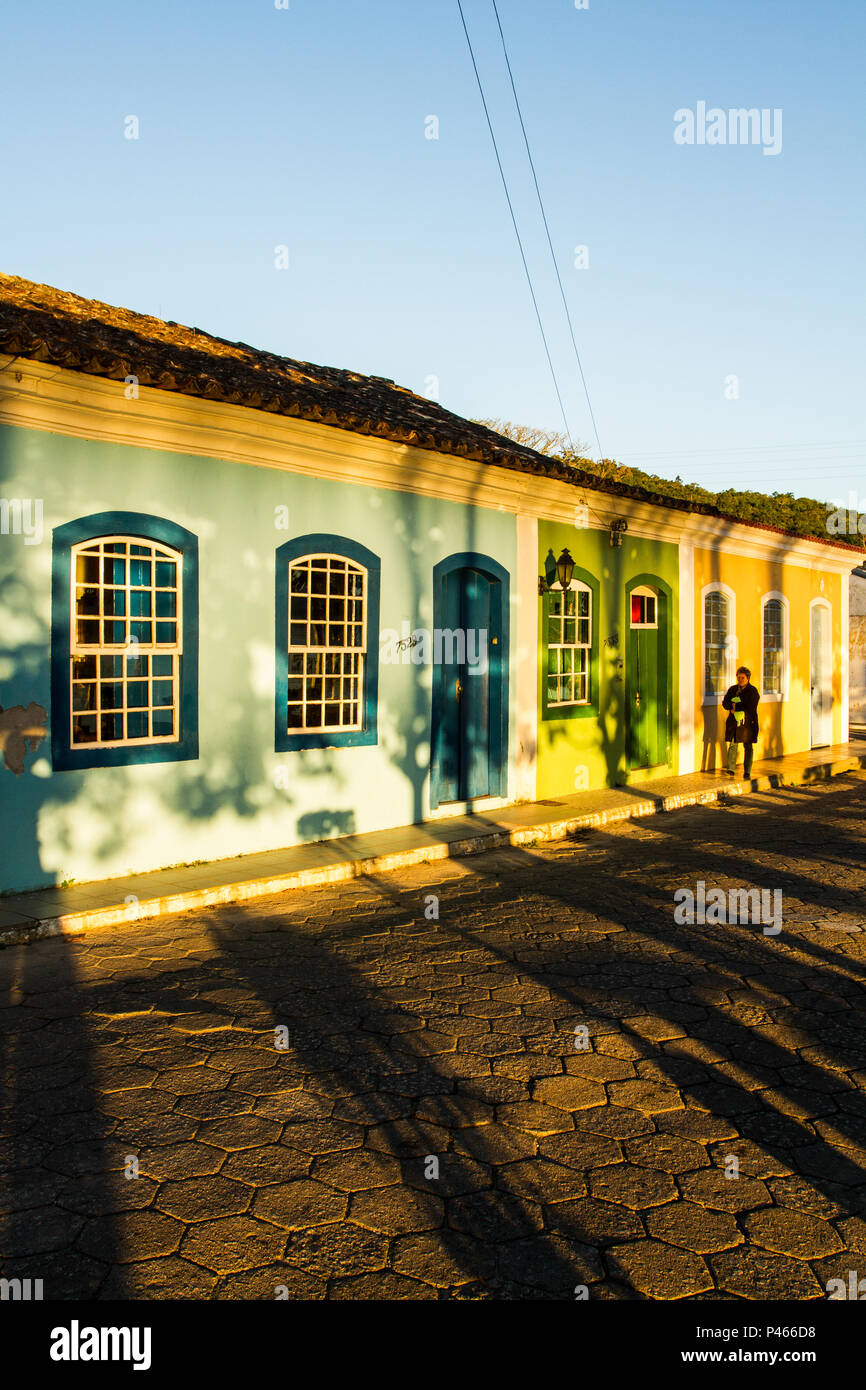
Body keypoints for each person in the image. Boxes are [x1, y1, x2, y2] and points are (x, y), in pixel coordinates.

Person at [722, 666, 760, 777]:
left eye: (742, 677)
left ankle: (747, 771)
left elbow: (751, 706)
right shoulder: (733, 689)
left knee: (748, 746)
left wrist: (736, 706)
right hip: (734, 722)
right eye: (738, 677)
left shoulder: (752, 691)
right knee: (733, 744)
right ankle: (731, 769)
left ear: (747, 678)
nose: (740, 679)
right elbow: (725, 703)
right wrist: (731, 706)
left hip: (747, 723)